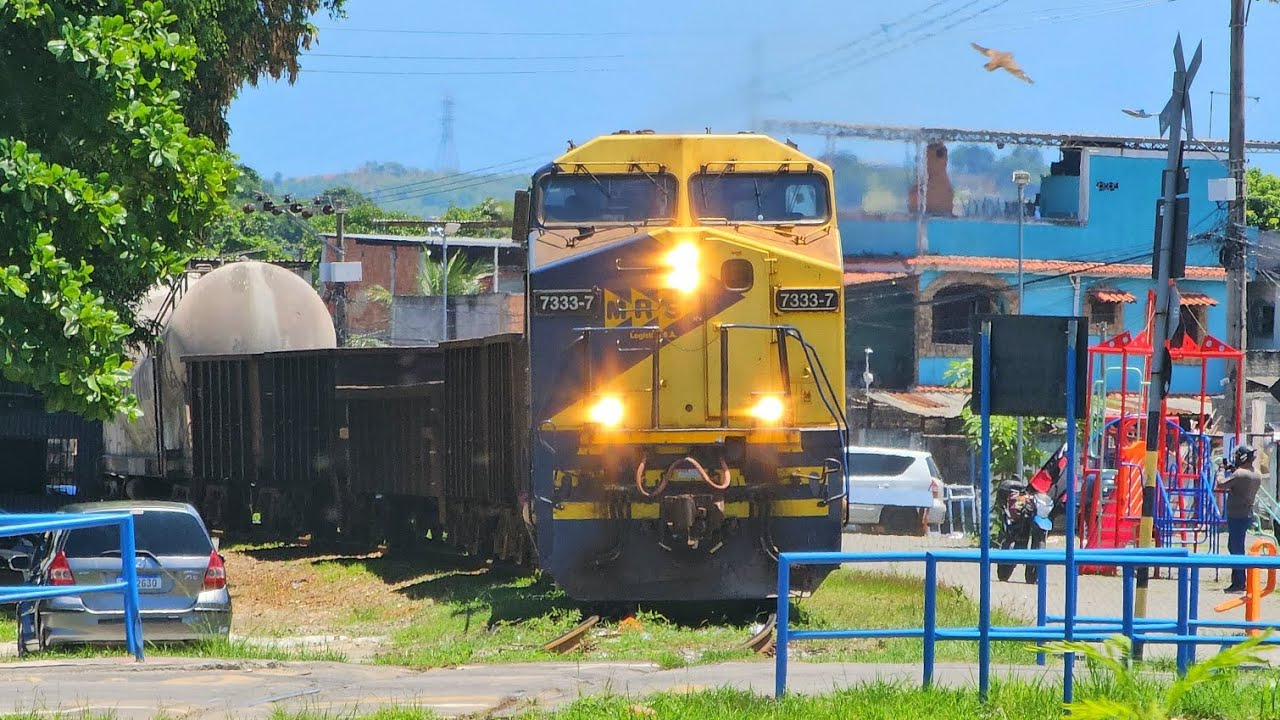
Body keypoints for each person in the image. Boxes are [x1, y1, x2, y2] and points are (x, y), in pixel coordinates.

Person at [1216, 444, 1263, 593]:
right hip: (1246, 514)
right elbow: (1242, 479)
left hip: (1237, 516)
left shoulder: (1241, 473)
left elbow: (1221, 484)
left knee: (1236, 549)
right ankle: (1238, 581)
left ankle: (1239, 583)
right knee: (1236, 547)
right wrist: (1232, 469)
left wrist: (1221, 470)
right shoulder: (1256, 473)